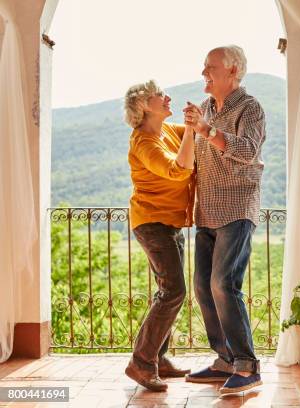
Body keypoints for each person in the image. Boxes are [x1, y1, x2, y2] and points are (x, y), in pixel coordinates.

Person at [183, 45, 266, 394]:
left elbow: (249, 150)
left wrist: (206, 130)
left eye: (211, 66)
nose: (204, 71)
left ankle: (247, 367)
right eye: (204, 65)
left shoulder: (250, 108)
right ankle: (225, 360)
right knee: (203, 286)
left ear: (232, 71)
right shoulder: (205, 108)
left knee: (223, 284)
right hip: (207, 210)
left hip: (236, 207)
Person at [123, 80, 195, 392]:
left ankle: (158, 359)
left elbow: (199, 140)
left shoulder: (166, 131)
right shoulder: (143, 142)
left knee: (168, 291)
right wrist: (193, 130)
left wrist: (198, 122)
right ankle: (141, 363)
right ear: (143, 108)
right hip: (151, 223)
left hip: (170, 222)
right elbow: (179, 169)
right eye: (158, 95)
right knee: (173, 291)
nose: (167, 97)